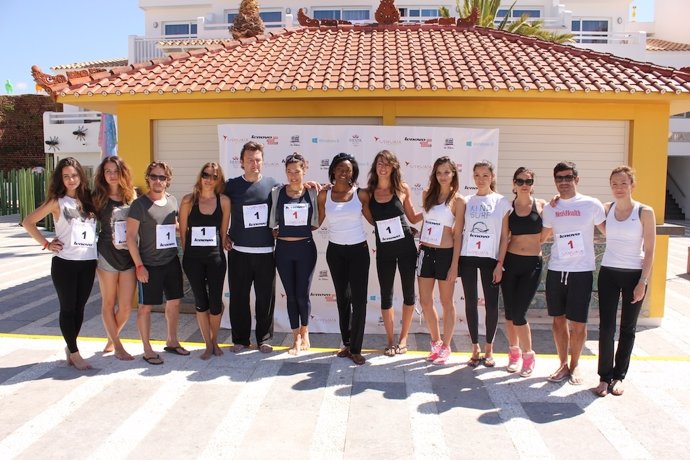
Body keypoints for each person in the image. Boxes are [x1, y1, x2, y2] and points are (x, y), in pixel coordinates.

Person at [22, 157, 98, 370]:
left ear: (81, 176)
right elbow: (28, 222)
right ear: (61, 179)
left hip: (88, 261)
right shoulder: (57, 201)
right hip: (65, 263)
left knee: (80, 308)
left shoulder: (89, 200)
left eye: (74, 175)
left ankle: (70, 346)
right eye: (66, 176)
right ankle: (75, 352)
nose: (71, 179)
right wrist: (46, 243)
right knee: (67, 309)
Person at [593, 166, 655, 397]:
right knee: (606, 327)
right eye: (614, 184)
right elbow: (587, 209)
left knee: (627, 328)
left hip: (634, 275)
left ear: (632, 185)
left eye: (623, 183)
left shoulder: (644, 212)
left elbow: (649, 250)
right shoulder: (606, 209)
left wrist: (643, 281)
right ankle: (604, 377)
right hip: (608, 272)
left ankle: (619, 376)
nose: (619, 188)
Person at [541, 161, 606, 385]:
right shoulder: (551, 207)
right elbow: (541, 236)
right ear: (555, 181)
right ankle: (562, 364)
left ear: (577, 179)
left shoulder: (591, 204)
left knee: (578, 324)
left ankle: (575, 365)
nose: (564, 182)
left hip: (582, 272)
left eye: (568, 177)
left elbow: (609, 231)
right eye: (559, 178)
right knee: (558, 322)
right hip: (556, 270)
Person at [127, 162, 188, 365]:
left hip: (171, 260)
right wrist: (139, 266)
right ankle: (146, 348)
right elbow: (130, 238)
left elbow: (175, 226)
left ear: (167, 180)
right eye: (154, 176)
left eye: (162, 177)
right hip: (149, 264)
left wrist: (184, 229)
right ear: (148, 178)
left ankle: (172, 341)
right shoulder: (139, 205)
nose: (158, 181)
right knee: (145, 307)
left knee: (175, 302)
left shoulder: (172, 201)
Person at [223, 141, 280, 353]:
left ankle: (264, 338)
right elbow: (219, 209)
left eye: (257, 160)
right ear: (241, 162)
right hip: (239, 252)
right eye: (249, 160)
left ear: (263, 162)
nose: (254, 164)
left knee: (265, 299)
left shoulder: (274, 185)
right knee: (238, 298)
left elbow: (293, 197)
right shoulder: (231, 186)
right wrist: (223, 235)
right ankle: (240, 339)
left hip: (266, 252)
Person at [317, 152, 373, 365]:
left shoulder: (361, 194)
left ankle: (356, 349)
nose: (344, 172)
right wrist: (285, 230)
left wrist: (400, 228)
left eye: (348, 169)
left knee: (359, 301)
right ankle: (347, 343)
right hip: (336, 253)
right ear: (333, 170)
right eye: (340, 168)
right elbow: (317, 222)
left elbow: (373, 220)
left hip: (359, 251)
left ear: (353, 173)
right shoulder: (324, 196)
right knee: (343, 299)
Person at [366, 150, 422, 356]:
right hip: (384, 252)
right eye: (380, 163)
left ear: (394, 167)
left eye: (387, 164)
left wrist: (435, 208)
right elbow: (371, 219)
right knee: (386, 296)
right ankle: (390, 340)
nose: (383, 167)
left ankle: (404, 338)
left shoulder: (402, 188)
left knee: (409, 293)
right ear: (375, 166)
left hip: (407, 249)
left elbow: (414, 218)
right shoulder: (368, 192)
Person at [459, 160, 511, 368]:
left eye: (485, 175)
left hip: (491, 260)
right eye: (477, 175)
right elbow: (459, 232)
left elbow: (505, 237)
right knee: (470, 302)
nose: (481, 179)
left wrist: (500, 264)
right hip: (468, 258)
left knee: (491, 305)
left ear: (492, 177)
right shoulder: (466, 201)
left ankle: (489, 348)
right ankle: (474, 347)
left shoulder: (501, 202)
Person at [269, 153, 319, 355]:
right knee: (290, 295)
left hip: (306, 248)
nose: (293, 175)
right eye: (289, 171)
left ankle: (305, 331)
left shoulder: (313, 192)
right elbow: (273, 220)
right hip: (283, 249)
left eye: (297, 171)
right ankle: (295, 337)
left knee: (302, 294)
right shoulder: (277, 192)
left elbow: (317, 220)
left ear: (304, 171)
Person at [179, 163, 230, 360]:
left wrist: (227, 242)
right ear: (200, 177)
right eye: (206, 174)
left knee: (215, 303)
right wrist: (188, 254)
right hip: (193, 260)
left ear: (219, 180)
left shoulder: (224, 201)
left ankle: (214, 340)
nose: (209, 179)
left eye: (214, 176)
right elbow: (183, 232)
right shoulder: (187, 201)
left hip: (215, 258)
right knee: (201, 302)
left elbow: (223, 232)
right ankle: (207, 344)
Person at [498, 167, 545, 377]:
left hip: (532, 265)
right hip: (511, 262)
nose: (524, 185)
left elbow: (549, 229)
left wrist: (536, 244)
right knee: (509, 313)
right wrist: (499, 264)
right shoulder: (508, 207)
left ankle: (528, 355)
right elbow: (503, 238)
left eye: (528, 181)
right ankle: (514, 353)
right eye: (520, 181)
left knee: (519, 313)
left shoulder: (543, 205)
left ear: (533, 184)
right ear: (514, 184)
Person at [417, 156, 464, 365]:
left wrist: (455, 265)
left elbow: (458, 235)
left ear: (453, 174)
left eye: (446, 172)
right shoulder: (427, 194)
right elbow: (422, 221)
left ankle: (446, 345)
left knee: (446, 302)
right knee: (426, 301)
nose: (443, 176)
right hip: (425, 252)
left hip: (446, 254)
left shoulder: (459, 200)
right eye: (439, 172)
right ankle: (435, 342)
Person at [92, 156, 137, 361]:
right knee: (108, 303)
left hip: (128, 256)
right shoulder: (97, 198)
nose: (111, 175)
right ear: (103, 174)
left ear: (122, 173)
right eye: (107, 171)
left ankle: (111, 338)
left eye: (115, 171)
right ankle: (117, 346)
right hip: (107, 255)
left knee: (126, 306)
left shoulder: (132, 196)